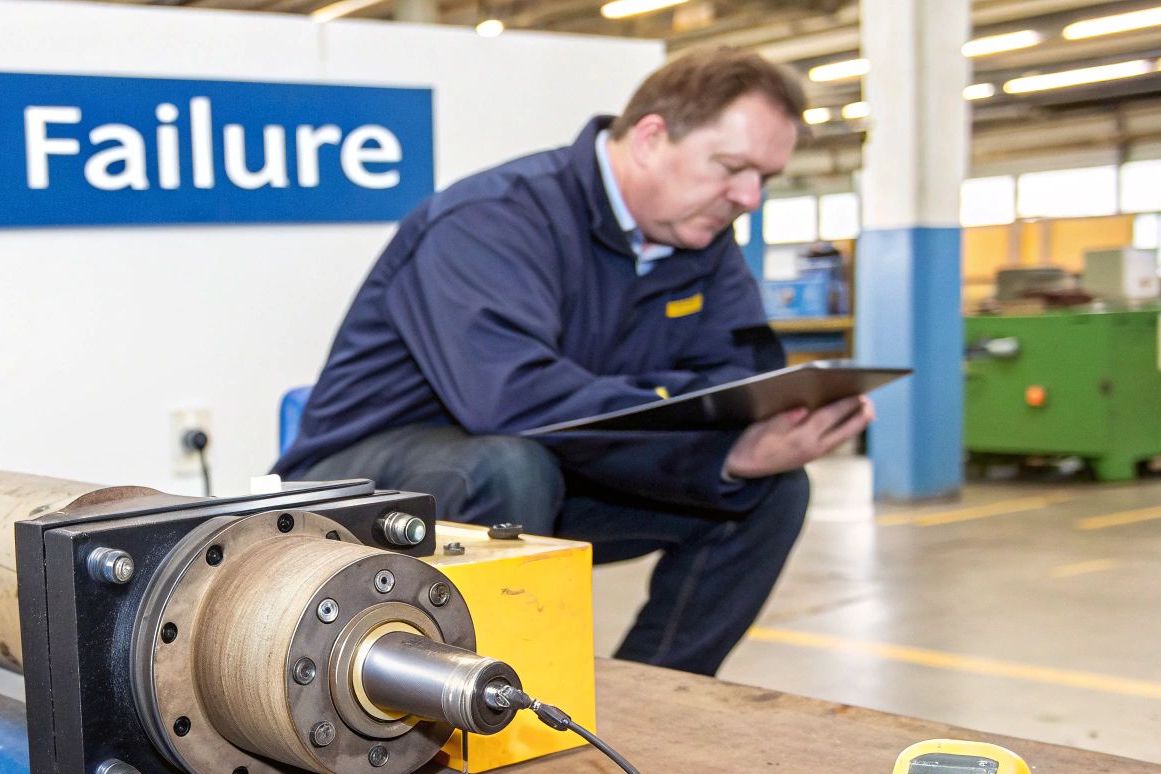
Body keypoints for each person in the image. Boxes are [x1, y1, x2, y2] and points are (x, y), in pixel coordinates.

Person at [271, 47, 873, 677]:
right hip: (365, 486)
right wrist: (706, 442)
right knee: (506, 464)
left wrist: (727, 446)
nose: (748, 197)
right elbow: (511, 399)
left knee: (770, 488)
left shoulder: (701, 242)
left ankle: (660, 696)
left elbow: (737, 381)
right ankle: (472, 702)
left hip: (556, 464)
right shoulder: (492, 220)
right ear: (648, 138)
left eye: (765, 179)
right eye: (731, 167)